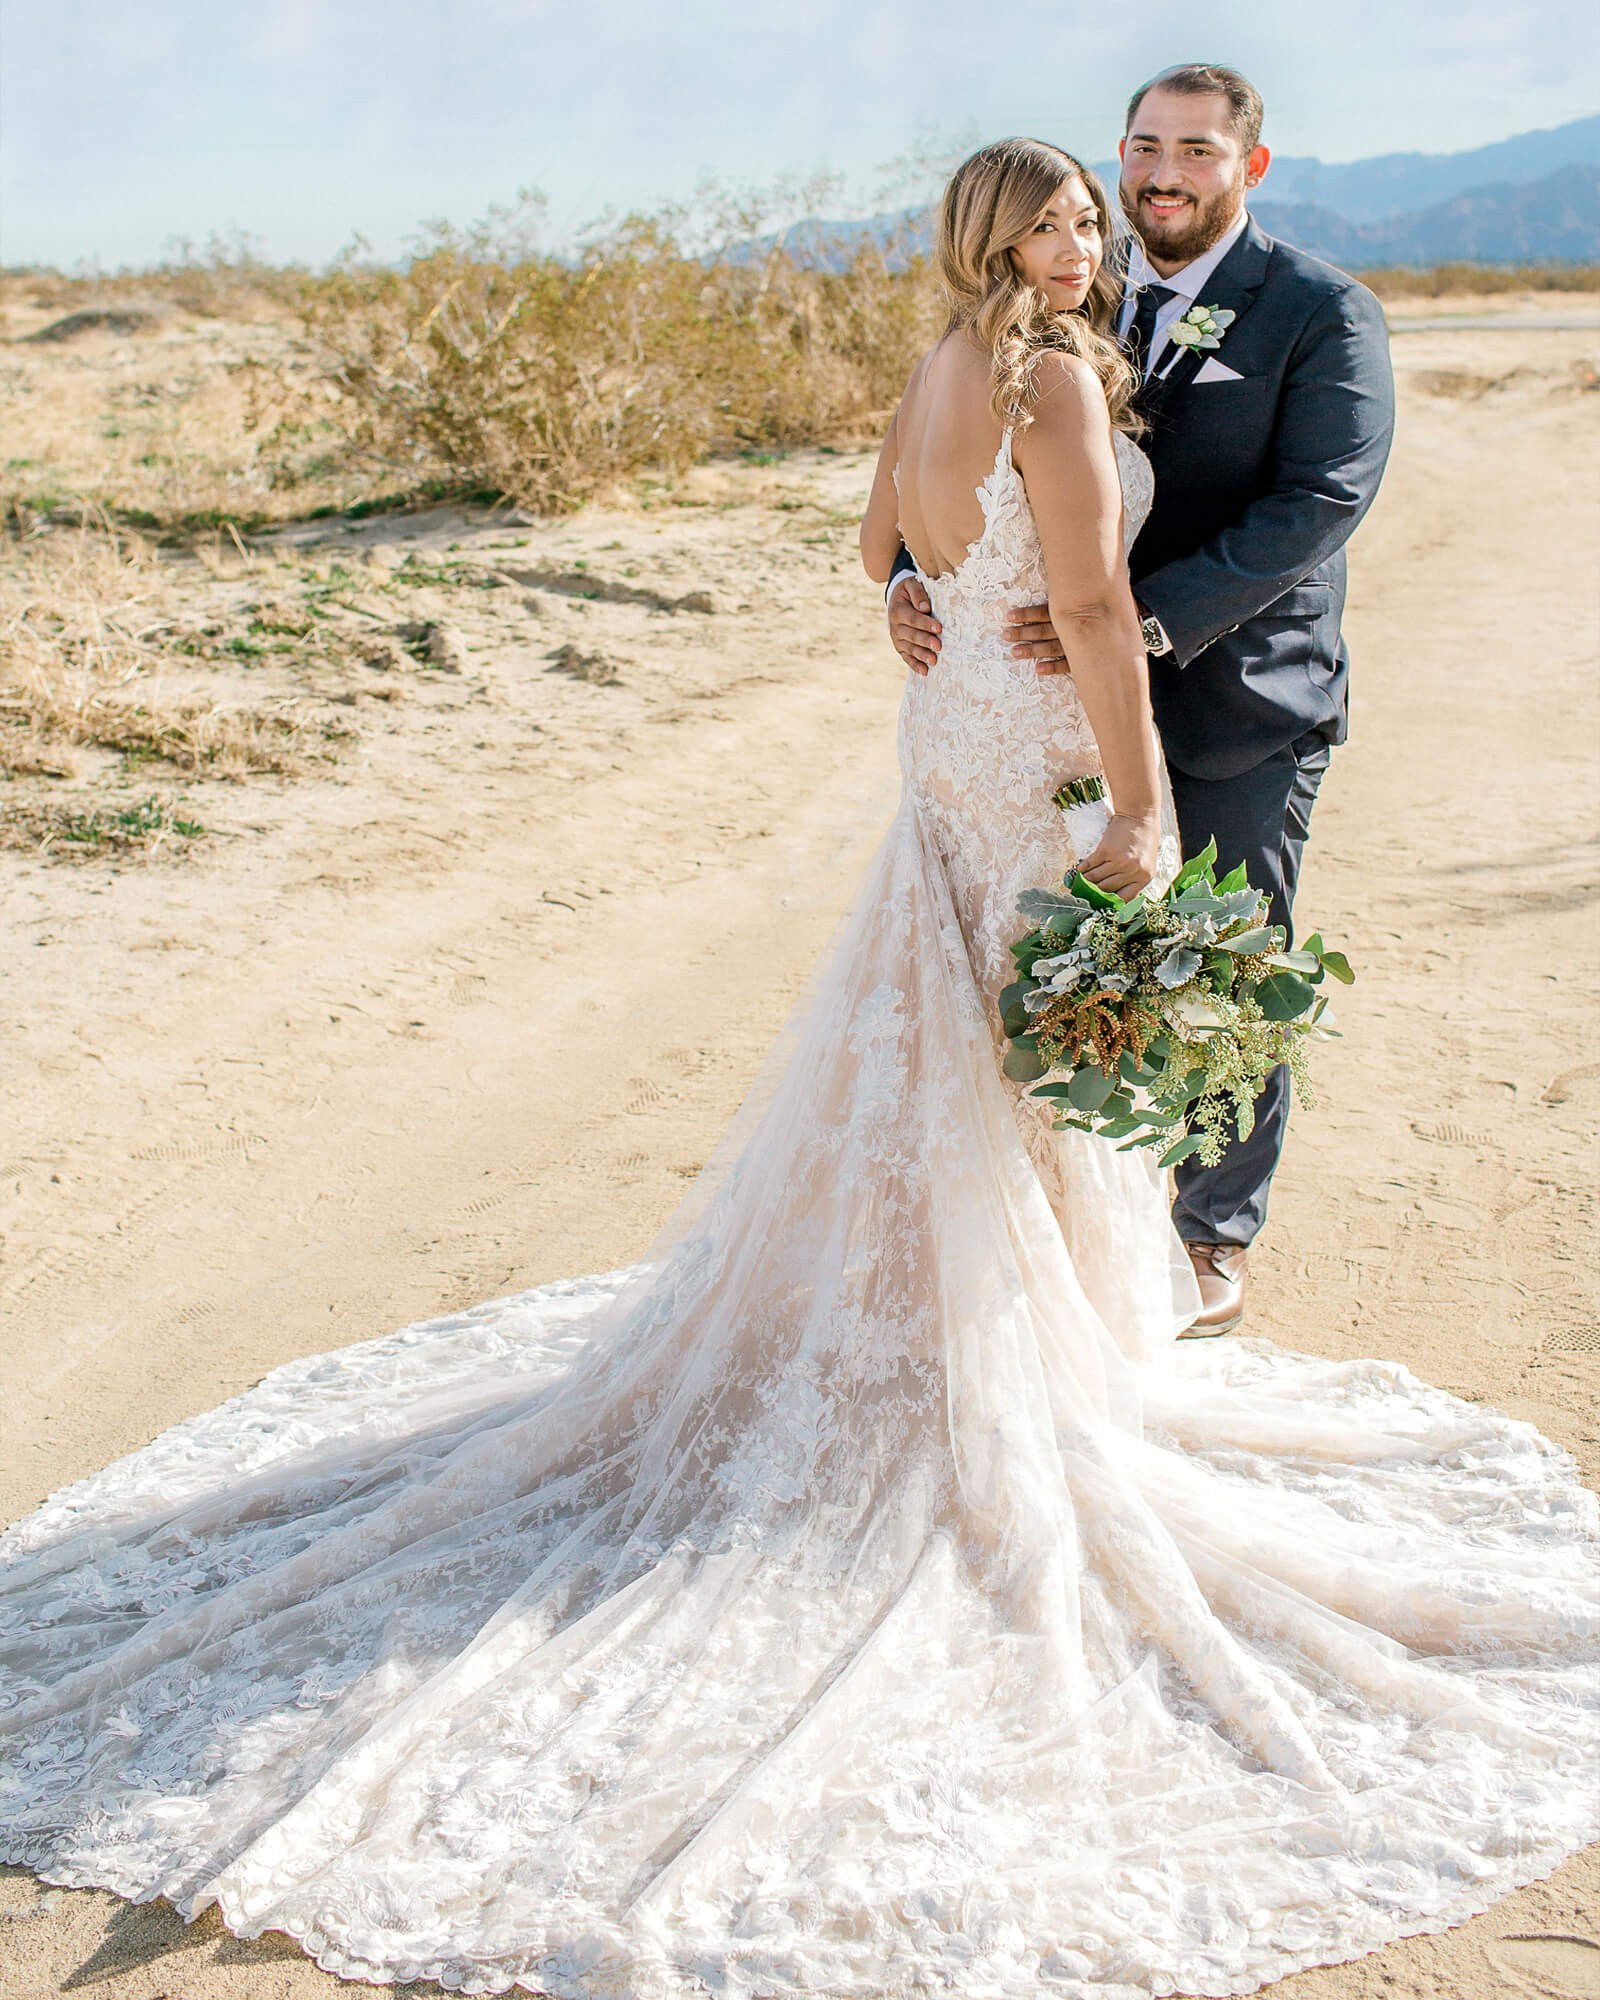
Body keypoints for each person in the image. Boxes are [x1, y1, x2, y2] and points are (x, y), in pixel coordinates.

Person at [2, 138, 1595, 2000]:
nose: (1083, 240)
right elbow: (1088, 611)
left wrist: (915, 604)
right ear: (1001, 245)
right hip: (1038, 749)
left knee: (947, 1042)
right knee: (1009, 1063)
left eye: (1092, 214)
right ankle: (994, 1368)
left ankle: (946, 1316)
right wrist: (1144, 807)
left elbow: (876, 549)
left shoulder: (937, 366)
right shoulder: (1060, 378)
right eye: (1055, 222)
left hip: (946, 737)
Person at [889, 64, 1396, 1337]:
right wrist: (915, 576)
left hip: (1235, 692)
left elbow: (1316, 504)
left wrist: (1144, 619)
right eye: (1142, 147)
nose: (1161, 173)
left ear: (1249, 166)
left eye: (1196, 151)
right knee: (1067, 972)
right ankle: (1068, 1241)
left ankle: (1208, 1232)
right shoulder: (1079, 297)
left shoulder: (1319, 311)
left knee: (1220, 958)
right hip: (1058, 703)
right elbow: (967, 474)